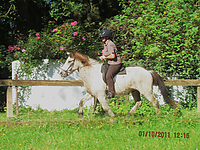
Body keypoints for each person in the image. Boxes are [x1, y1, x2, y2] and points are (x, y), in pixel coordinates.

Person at [99, 29, 122, 99]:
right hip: (110, 62)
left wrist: (104, 57)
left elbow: (113, 56)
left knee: (108, 76)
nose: (102, 38)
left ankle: (111, 93)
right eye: (102, 37)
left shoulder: (110, 44)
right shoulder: (106, 44)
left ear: (107, 37)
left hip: (115, 63)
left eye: (103, 37)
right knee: (103, 71)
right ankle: (106, 88)